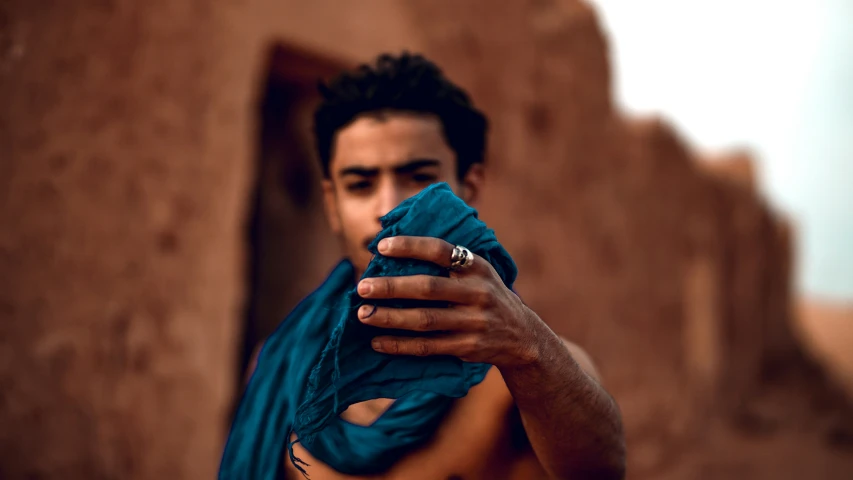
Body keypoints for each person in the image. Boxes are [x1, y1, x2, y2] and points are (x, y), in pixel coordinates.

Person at [226, 52, 625, 480]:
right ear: (333, 205)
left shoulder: (516, 371)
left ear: (467, 189)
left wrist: (529, 351)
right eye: (360, 185)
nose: (388, 208)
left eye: (418, 178)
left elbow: (601, 468)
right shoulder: (282, 366)